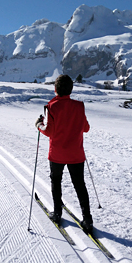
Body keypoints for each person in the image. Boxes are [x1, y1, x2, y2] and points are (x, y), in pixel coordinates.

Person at [35, 74, 93, 232]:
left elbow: (50, 132)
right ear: (71, 90)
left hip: (57, 154)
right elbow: (86, 128)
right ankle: (87, 219)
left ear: (55, 89)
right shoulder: (79, 106)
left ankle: (57, 213)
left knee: (56, 181)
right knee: (80, 185)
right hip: (76, 154)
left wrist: (39, 125)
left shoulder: (51, 107)